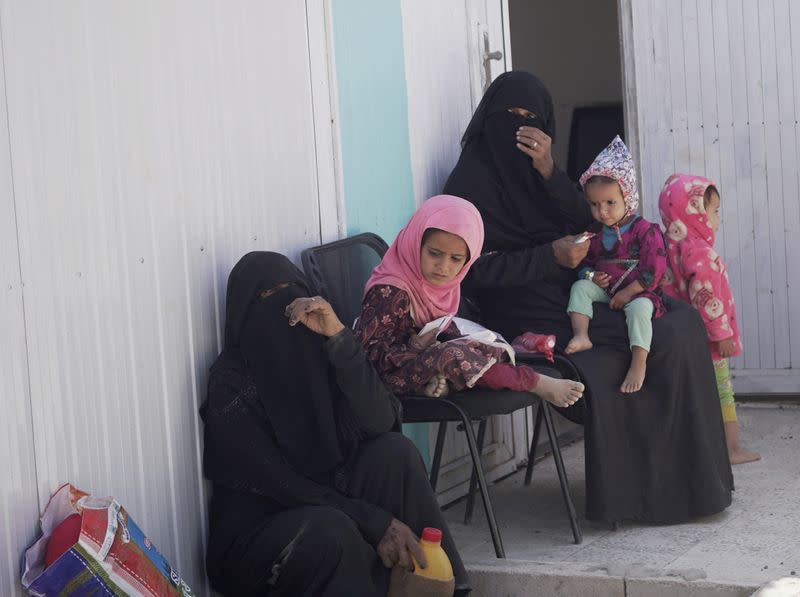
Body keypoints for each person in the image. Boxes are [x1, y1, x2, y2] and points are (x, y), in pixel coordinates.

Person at [443, 70, 733, 524]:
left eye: (533, 119)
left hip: (579, 291)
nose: (521, 128)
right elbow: (475, 272)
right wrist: (547, 257)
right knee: (661, 333)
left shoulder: (542, 175)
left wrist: (548, 171)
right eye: (511, 117)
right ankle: (640, 496)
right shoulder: (469, 185)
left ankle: (691, 485)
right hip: (525, 306)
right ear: (490, 120)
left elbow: (591, 218)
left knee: (681, 319)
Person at [200, 252, 470, 596]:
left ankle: (443, 587)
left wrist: (341, 339)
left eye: (291, 296)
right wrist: (373, 521)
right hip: (258, 538)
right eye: (269, 299)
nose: (284, 312)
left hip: (330, 495)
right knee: (333, 530)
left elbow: (382, 421)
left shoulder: (320, 357)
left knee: (394, 453)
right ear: (243, 314)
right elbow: (283, 486)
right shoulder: (231, 385)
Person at [354, 194, 584, 408]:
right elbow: (368, 359)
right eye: (434, 253)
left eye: (455, 259)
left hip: (420, 362)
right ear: (416, 244)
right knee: (453, 355)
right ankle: (533, 382)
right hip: (384, 380)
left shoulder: (440, 288)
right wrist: (416, 347)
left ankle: (435, 383)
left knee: (481, 345)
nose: (444, 267)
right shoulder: (389, 291)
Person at [659, 173, 761, 465]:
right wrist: (722, 335)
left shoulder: (667, 248)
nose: (717, 218)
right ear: (693, 214)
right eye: (713, 211)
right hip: (710, 343)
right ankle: (730, 449)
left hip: (682, 340)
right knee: (722, 394)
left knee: (693, 394)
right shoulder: (699, 253)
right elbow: (708, 300)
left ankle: (692, 447)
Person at [565, 136, 668, 394]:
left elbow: (653, 272)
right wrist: (590, 276)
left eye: (610, 202)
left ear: (628, 196)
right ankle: (581, 335)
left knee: (640, 311)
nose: (603, 211)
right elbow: (584, 264)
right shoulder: (595, 233)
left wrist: (628, 293)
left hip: (638, 292)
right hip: (607, 289)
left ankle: (638, 361)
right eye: (595, 204)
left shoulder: (646, 231)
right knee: (578, 287)